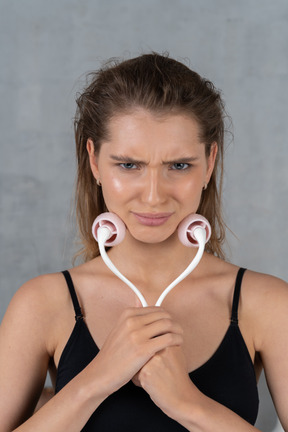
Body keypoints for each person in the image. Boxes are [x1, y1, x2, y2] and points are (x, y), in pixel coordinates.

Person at [0, 53, 287, 432]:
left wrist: (188, 404)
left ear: (210, 161)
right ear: (95, 162)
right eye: (129, 165)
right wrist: (97, 379)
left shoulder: (266, 303)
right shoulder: (43, 303)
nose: (153, 196)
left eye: (179, 165)